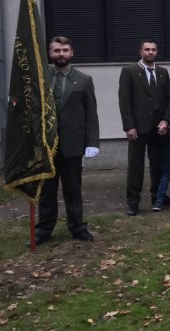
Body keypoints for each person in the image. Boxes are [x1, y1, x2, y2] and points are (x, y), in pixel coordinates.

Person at [35, 36, 99, 244]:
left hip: (72, 144)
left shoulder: (84, 79)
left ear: (71, 53)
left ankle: (77, 227)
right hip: (46, 145)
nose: (61, 54)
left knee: (73, 188)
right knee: (46, 191)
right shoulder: (40, 78)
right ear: (50, 53)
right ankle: (44, 229)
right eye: (56, 51)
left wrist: (92, 142)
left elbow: (91, 114)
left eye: (64, 51)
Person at [118, 40, 170, 216]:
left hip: (158, 127)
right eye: (147, 49)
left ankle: (157, 195)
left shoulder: (163, 72)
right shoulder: (129, 71)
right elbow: (124, 101)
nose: (150, 52)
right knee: (136, 165)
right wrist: (129, 126)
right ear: (140, 51)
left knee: (157, 163)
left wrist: (166, 120)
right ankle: (133, 201)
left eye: (153, 50)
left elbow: (169, 99)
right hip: (137, 128)